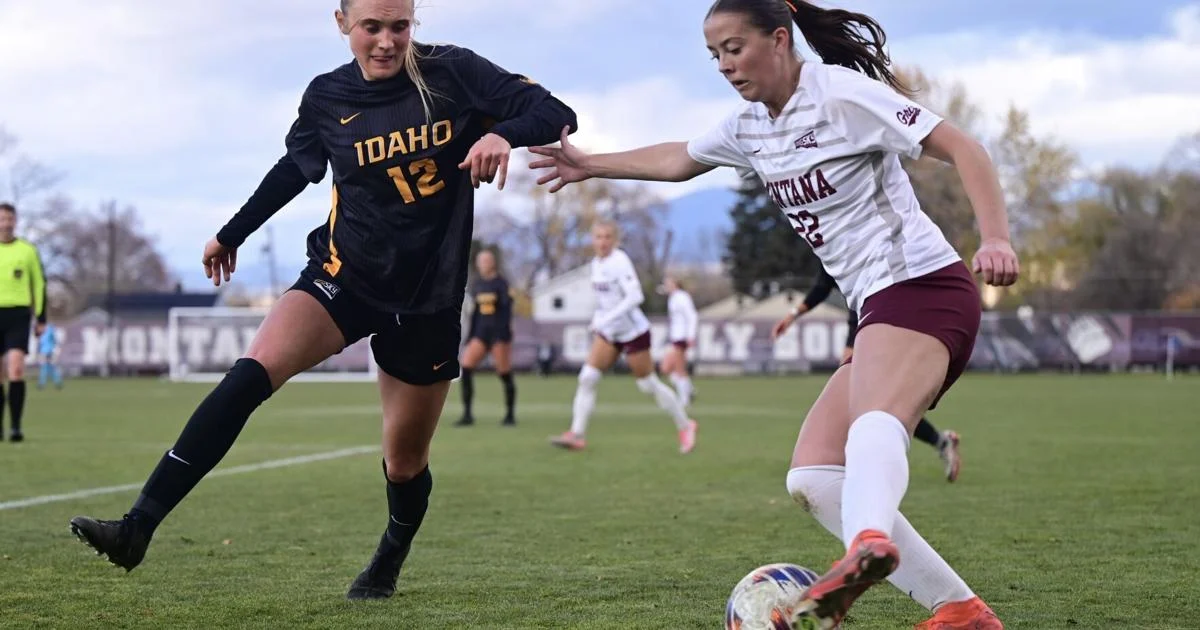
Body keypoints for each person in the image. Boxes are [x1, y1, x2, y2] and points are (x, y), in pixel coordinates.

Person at [68, 0, 577, 601]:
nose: (386, 42)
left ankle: (388, 559)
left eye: (399, 26)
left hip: (427, 298)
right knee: (249, 375)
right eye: (371, 27)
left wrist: (500, 132)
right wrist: (231, 234)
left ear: (415, 22)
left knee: (404, 461)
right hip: (343, 276)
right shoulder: (327, 97)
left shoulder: (454, 72)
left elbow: (556, 112)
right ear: (341, 23)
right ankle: (136, 528)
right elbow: (294, 169)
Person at [528, 0, 1016, 626]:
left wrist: (996, 238)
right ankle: (960, 612)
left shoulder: (842, 95)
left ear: (780, 40)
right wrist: (589, 162)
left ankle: (869, 542)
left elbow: (964, 148)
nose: (725, 65)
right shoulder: (751, 126)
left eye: (734, 48)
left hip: (922, 285)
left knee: (876, 422)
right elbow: (679, 159)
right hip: (878, 304)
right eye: (714, 55)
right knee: (813, 476)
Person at [774, 267, 962, 482]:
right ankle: (936, 442)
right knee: (872, 400)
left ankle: (863, 463)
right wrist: (792, 316)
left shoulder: (859, 240)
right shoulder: (830, 244)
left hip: (883, 320)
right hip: (862, 322)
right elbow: (822, 287)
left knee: (870, 399)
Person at [549, 221, 698, 454]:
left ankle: (685, 425)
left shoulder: (619, 261)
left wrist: (605, 320)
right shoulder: (596, 264)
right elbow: (605, 301)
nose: (603, 241)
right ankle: (576, 434)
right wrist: (599, 318)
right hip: (610, 333)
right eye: (598, 237)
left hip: (633, 332)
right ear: (592, 240)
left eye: (608, 236)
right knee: (587, 378)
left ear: (615, 240)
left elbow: (635, 297)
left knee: (648, 385)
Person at [0, 202, 46, 443]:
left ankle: (16, 426)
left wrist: (41, 317)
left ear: (15, 221)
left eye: (10, 218)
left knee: (16, 368)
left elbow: (38, 284)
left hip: (18, 314)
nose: (6, 223)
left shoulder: (27, 251)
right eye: (2, 219)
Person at [456, 248, 517, 427]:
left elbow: (507, 311)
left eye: (487, 260)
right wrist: (470, 335)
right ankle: (467, 414)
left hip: (498, 334)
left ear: (493, 262)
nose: (484, 264)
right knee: (466, 368)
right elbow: (474, 312)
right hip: (481, 333)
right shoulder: (477, 284)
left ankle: (510, 414)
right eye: (481, 261)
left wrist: (505, 335)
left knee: (504, 372)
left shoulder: (501, 283)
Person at [659, 275, 698, 407]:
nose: (666, 286)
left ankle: (684, 399)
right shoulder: (673, 298)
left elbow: (692, 316)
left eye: (669, 283)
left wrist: (690, 335)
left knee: (679, 368)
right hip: (675, 337)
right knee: (666, 368)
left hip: (681, 337)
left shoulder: (682, 297)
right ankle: (689, 389)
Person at [37, 321, 64, 390]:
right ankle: (56, 383)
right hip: (46, 351)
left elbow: (53, 340)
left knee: (46, 367)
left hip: (47, 351)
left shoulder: (48, 329)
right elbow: (54, 340)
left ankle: (43, 384)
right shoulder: (49, 329)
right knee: (49, 367)